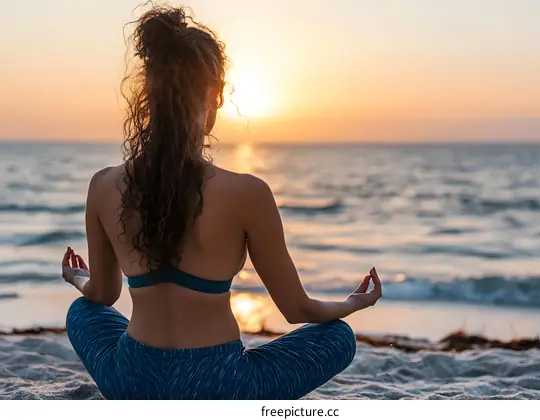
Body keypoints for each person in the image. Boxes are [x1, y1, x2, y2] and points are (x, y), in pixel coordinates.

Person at [61, 4, 382, 400]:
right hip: (222, 385)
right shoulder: (248, 193)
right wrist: (353, 303)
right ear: (214, 96)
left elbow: (103, 296)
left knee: (81, 313)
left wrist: (77, 278)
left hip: (132, 381)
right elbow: (298, 310)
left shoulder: (103, 185)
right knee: (338, 337)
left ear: (150, 96)